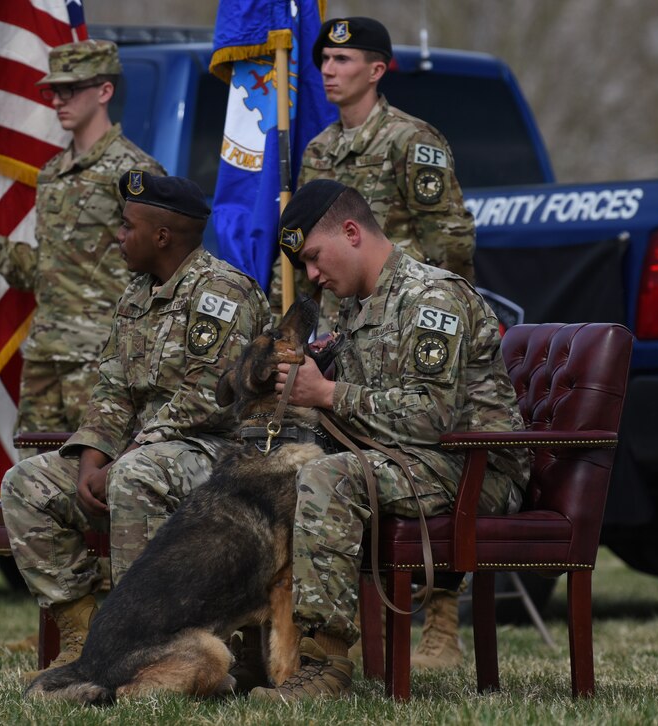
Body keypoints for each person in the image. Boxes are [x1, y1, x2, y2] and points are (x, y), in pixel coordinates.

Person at [250, 180, 526, 701]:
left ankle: (324, 666)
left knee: (328, 477)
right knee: (278, 467)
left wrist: (327, 392)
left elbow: (431, 418)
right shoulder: (358, 306)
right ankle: (255, 649)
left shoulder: (431, 298)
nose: (311, 276)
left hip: (472, 469)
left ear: (351, 233)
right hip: (407, 460)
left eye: (313, 258)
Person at [1, 171, 271, 679]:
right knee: (26, 484)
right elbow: (113, 390)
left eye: (126, 227)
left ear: (161, 236)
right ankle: (86, 636)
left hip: (219, 457)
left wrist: (120, 462)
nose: (117, 238)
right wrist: (90, 460)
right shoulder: (136, 296)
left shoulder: (223, 294)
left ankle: (148, 647)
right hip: (145, 453)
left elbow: (205, 402)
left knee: (135, 477)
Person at [272, 16, 480, 667]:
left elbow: (451, 240)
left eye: (342, 57)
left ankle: (440, 618)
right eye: (324, 59)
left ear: (377, 68)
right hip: (350, 326)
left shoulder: (413, 141)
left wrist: (421, 304)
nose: (328, 69)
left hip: (413, 316)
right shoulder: (318, 150)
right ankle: (295, 632)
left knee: (413, 442)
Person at [0, 39, 165, 437]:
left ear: (104, 91)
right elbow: (44, 269)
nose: (58, 101)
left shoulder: (134, 172)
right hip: (46, 356)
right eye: (54, 91)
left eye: (71, 89)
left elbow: (165, 266)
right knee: (35, 481)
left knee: (98, 478)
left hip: (103, 358)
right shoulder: (50, 173)